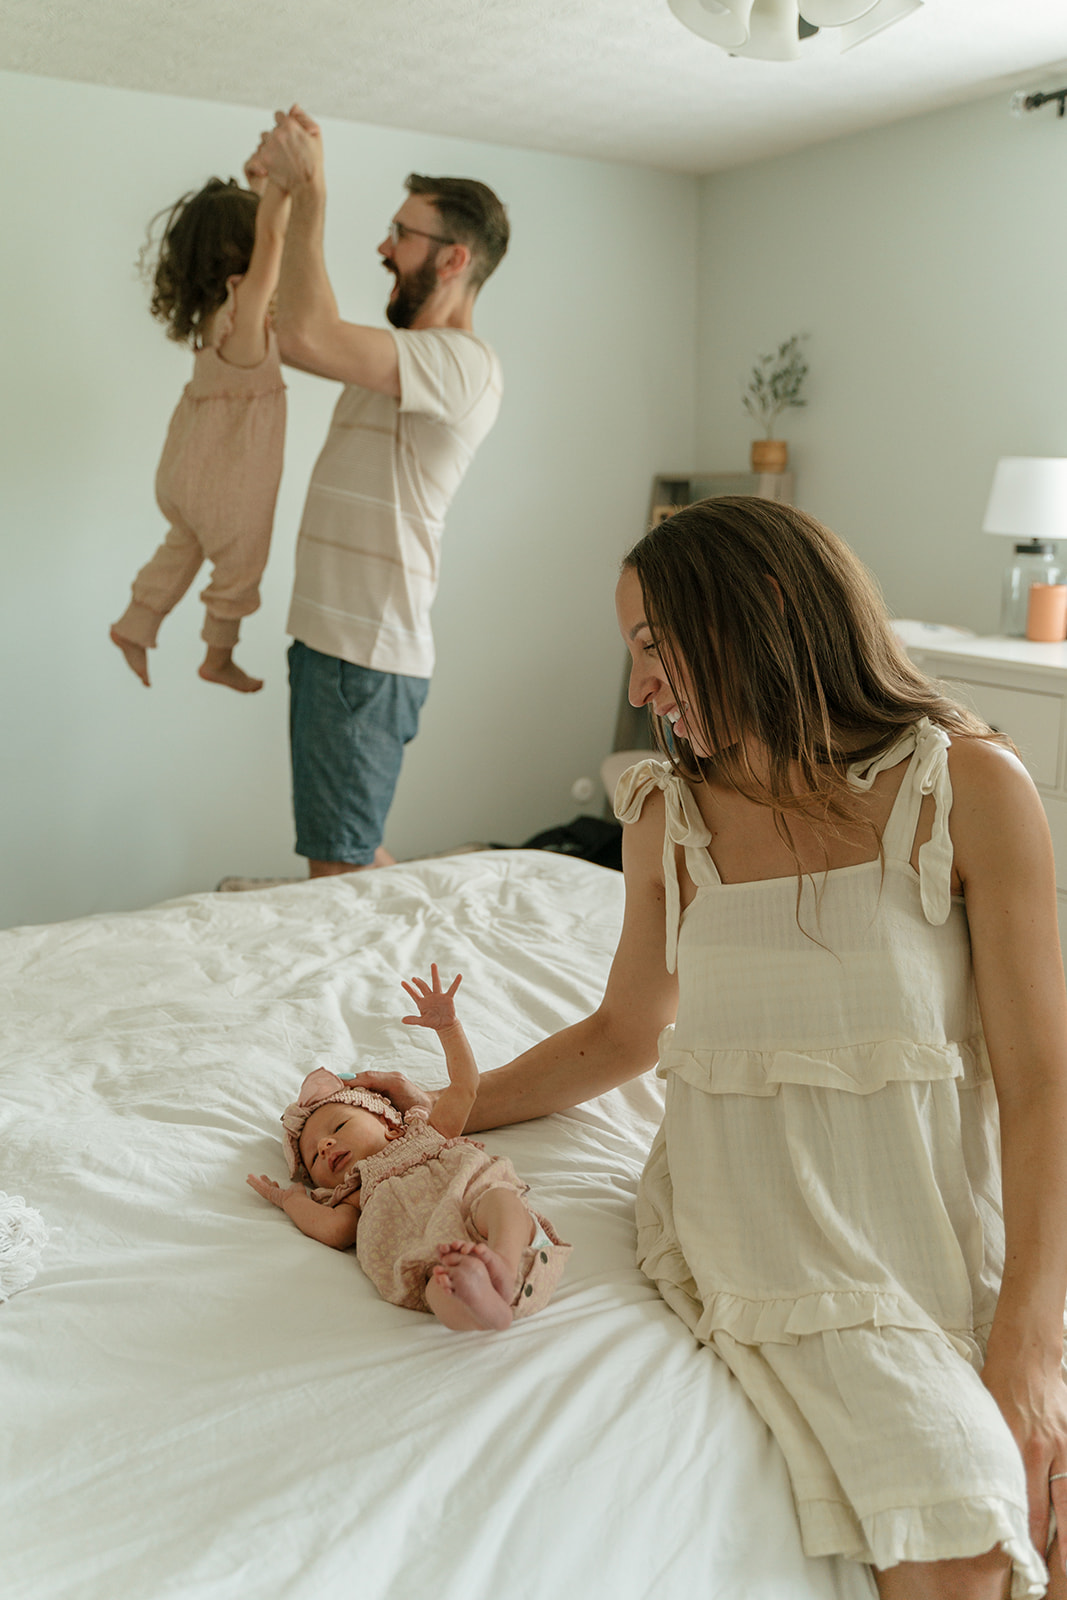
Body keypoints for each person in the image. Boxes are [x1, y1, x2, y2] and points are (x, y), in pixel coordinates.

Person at [360, 497, 1067, 1597]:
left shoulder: (964, 787)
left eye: (651, 643)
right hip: (765, 1224)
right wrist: (448, 1107)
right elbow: (621, 1034)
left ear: (763, 608)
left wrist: (1028, 1345)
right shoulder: (667, 819)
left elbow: (1038, 1083)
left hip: (942, 1215)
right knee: (964, 1528)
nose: (639, 686)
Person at [247, 106, 508, 876]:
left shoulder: (461, 364)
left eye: (401, 234)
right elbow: (285, 327)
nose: (383, 248)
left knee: (337, 867)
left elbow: (304, 333)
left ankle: (407, 976)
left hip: (360, 654)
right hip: (336, 646)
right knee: (349, 848)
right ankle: (439, 925)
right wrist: (278, 196)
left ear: (454, 259)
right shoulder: (395, 360)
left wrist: (313, 190)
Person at [246, 965, 568, 1332]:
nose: (326, 1145)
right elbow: (334, 1230)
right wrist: (294, 1201)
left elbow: (465, 1086)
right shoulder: (356, 1192)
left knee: (500, 1200)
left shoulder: (427, 1132)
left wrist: (449, 1030)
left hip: (489, 1224)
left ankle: (503, 1267)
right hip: (441, 1261)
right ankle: (481, 1308)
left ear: (387, 1121)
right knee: (435, 1286)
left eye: (338, 1126)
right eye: (315, 1156)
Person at [110, 171, 290, 693]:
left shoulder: (216, 317)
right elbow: (274, 242)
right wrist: (279, 189)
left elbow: (262, 241)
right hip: (230, 479)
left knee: (183, 544)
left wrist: (260, 191)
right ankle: (218, 655)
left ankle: (135, 624)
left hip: (183, 466)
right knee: (241, 563)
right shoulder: (248, 311)